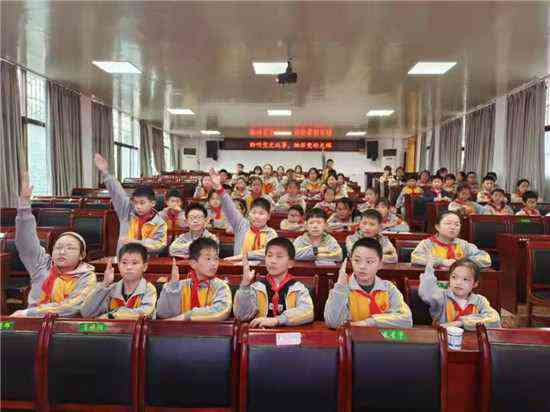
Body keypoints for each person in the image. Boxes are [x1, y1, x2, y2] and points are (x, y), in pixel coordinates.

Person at [10, 172, 97, 317]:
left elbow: (73, 307)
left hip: (63, 326)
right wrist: (24, 205)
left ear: (82, 255)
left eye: (70, 248)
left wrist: (29, 313)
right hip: (32, 323)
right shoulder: (42, 265)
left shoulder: (87, 277)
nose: (62, 252)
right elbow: (26, 243)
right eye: (58, 247)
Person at [324, 238, 412, 328]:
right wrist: (340, 286)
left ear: (380, 264)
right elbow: (332, 323)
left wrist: (367, 323)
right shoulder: (342, 288)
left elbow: (407, 320)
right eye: (357, 260)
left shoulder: (389, 288)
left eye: (369, 262)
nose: (362, 266)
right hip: (353, 336)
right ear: (350, 261)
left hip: (382, 337)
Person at [233, 238, 314, 328]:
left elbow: (308, 312)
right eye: (269, 255)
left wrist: (277, 320)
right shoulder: (256, 287)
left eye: (279, 256)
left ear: (290, 263)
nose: (273, 261)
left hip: (288, 335)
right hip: (260, 334)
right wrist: (245, 286)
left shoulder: (298, 288)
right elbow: (242, 316)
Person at [94, 153, 167, 253]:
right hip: (124, 257)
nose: (138, 206)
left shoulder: (159, 222)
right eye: (135, 203)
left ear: (152, 203)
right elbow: (117, 193)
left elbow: (159, 245)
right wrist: (105, 172)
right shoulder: (127, 212)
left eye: (142, 203)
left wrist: (136, 242)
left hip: (145, 260)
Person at [157, 238, 232, 321]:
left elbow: (221, 311)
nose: (213, 263)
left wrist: (187, 316)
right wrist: (172, 287)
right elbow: (162, 314)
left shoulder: (221, 286)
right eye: (208, 259)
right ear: (193, 263)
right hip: (179, 329)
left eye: (216, 258)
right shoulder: (180, 286)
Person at [211, 168, 278, 260]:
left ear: (268, 216)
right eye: (254, 212)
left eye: (261, 213)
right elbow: (230, 208)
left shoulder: (271, 233)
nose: (257, 216)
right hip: (239, 267)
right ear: (249, 213)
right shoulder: (241, 225)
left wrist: (244, 256)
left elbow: (269, 252)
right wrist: (219, 189)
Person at [419, 256, 500, 330]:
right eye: (454, 277)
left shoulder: (480, 300)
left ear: (475, 283)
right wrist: (429, 269)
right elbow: (426, 293)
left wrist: (461, 323)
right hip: (442, 338)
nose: (458, 282)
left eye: (465, 279)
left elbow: (495, 320)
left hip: (471, 340)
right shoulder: (442, 296)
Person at [81, 243, 157, 319]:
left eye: (134, 263)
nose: (129, 267)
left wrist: (113, 315)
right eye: (124, 263)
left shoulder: (149, 289)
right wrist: (105, 284)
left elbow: (145, 313)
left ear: (144, 267)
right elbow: (86, 313)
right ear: (118, 265)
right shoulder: (110, 289)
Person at [411, 211, 491, 268]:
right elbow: (415, 257)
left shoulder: (464, 245)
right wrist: (442, 262)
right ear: (437, 227)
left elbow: (485, 258)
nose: (453, 227)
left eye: (457, 225)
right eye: (448, 223)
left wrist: (463, 262)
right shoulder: (427, 244)